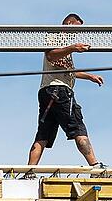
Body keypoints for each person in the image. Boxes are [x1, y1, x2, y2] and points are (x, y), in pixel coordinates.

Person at [27, 13, 106, 169]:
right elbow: (50, 56)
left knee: (43, 134)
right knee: (78, 128)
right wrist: (73, 48)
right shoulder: (56, 37)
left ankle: (29, 170)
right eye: (76, 29)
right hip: (59, 90)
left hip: (47, 92)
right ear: (69, 23)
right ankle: (95, 166)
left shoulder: (65, 46)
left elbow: (68, 70)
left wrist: (89, 76)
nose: (77, 34)